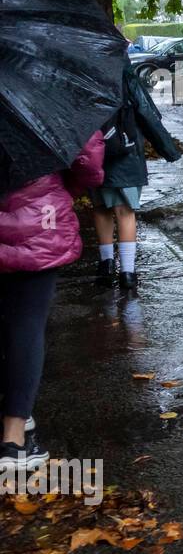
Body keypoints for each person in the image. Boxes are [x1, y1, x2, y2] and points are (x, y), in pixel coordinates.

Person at [0, 132, 105, 468]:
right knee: (27, 326)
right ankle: (13, 440)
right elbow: (88, 162)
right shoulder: (36, 89)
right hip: (39, 230)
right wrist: (59, 191)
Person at [93, 67, 183, 290]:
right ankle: (128, 273)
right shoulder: (125, 75)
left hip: (95, 156)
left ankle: (105, 265)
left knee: (101, 209)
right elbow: (146, 113)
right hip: (127, 156)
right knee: (125, 213)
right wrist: (168, 149)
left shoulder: (81, 76)